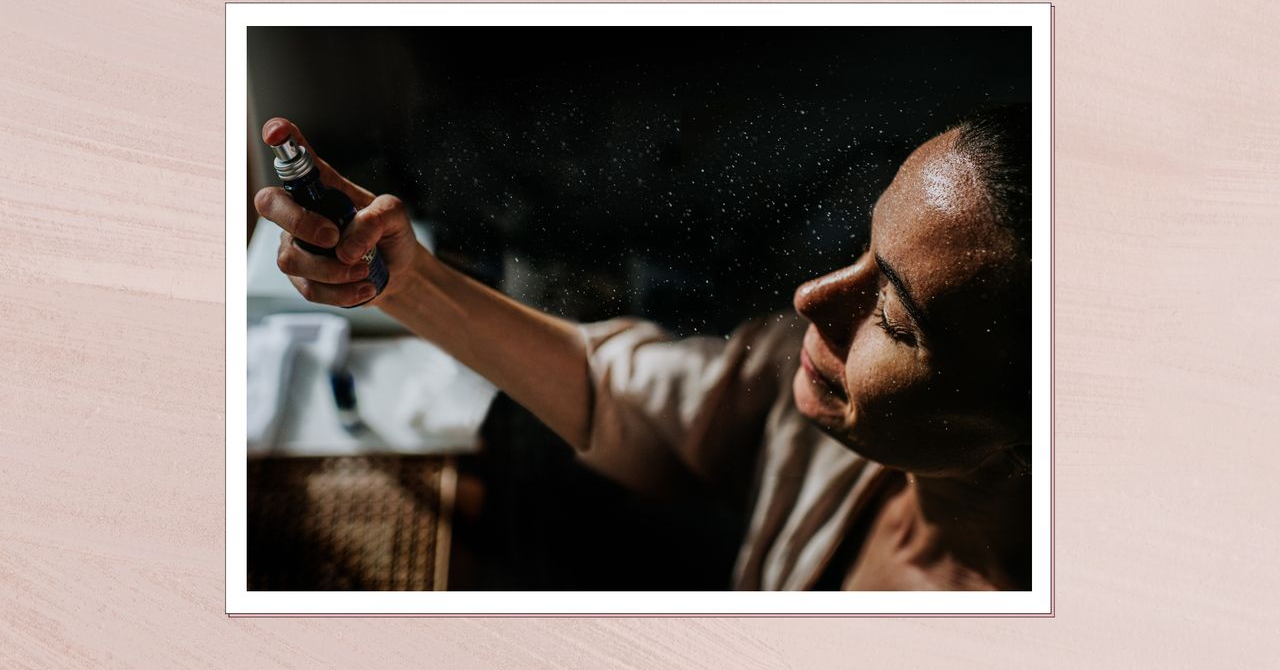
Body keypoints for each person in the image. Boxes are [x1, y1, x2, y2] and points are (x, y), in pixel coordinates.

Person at [254, 105, 1033, 591]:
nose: (812, 299)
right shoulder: (830, 415)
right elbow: (612, 392)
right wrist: (404, 280)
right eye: (863, 247)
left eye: (894, 317)